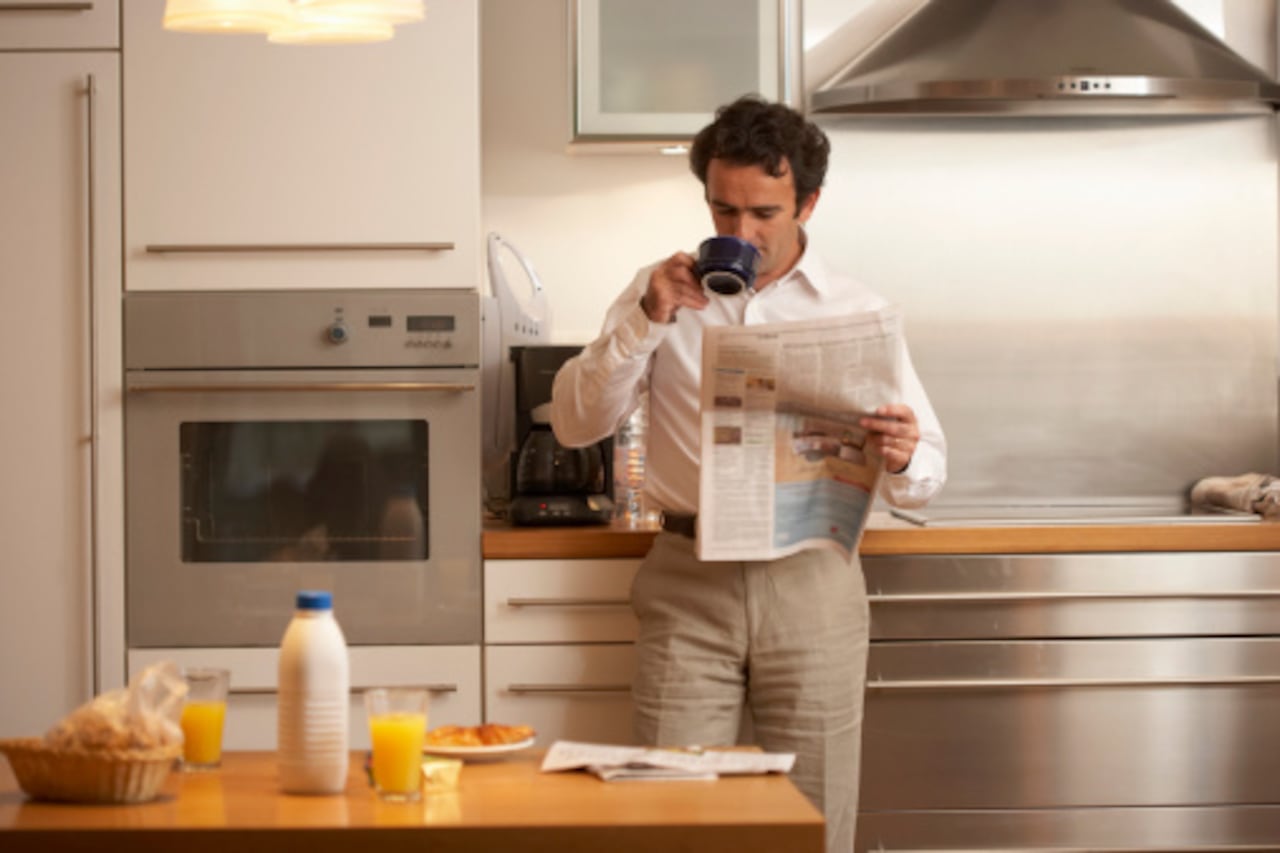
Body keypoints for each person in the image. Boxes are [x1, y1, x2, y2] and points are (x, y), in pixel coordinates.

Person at [549, 95, 946, 852]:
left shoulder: (857, 308)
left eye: (762, 213)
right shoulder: (659, 289)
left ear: (809, 203)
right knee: (666, 817)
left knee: (815, 820)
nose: (738, 234)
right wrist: (646, 319)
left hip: (812, 578)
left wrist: (903, 451)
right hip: (688, 578)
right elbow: (576, 423)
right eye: (721, 211)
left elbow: (927, 471)